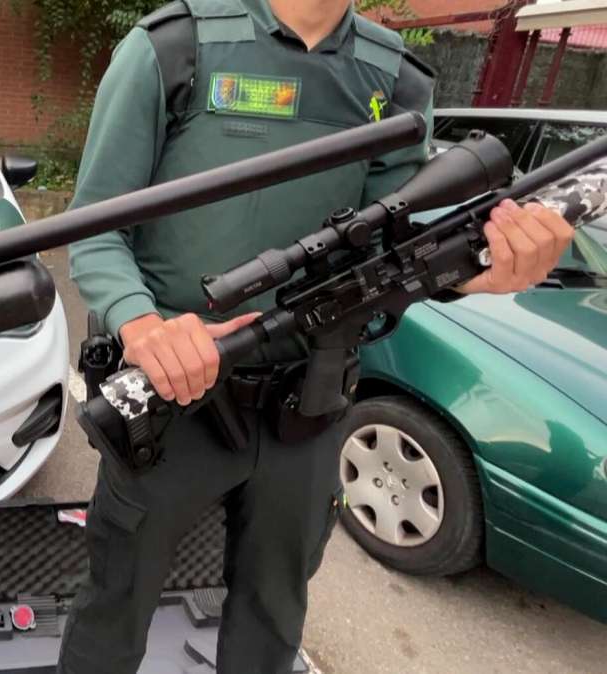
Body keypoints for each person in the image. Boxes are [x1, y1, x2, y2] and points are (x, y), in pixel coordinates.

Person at [58, 1, 574, 673]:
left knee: (274, 619)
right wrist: (141, 324)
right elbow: (96, 230)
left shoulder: (397, 78)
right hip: (171, 398)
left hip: (309, 404)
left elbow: (394, 252)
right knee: (116, 606)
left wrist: (480, 271)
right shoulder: (174, 48)